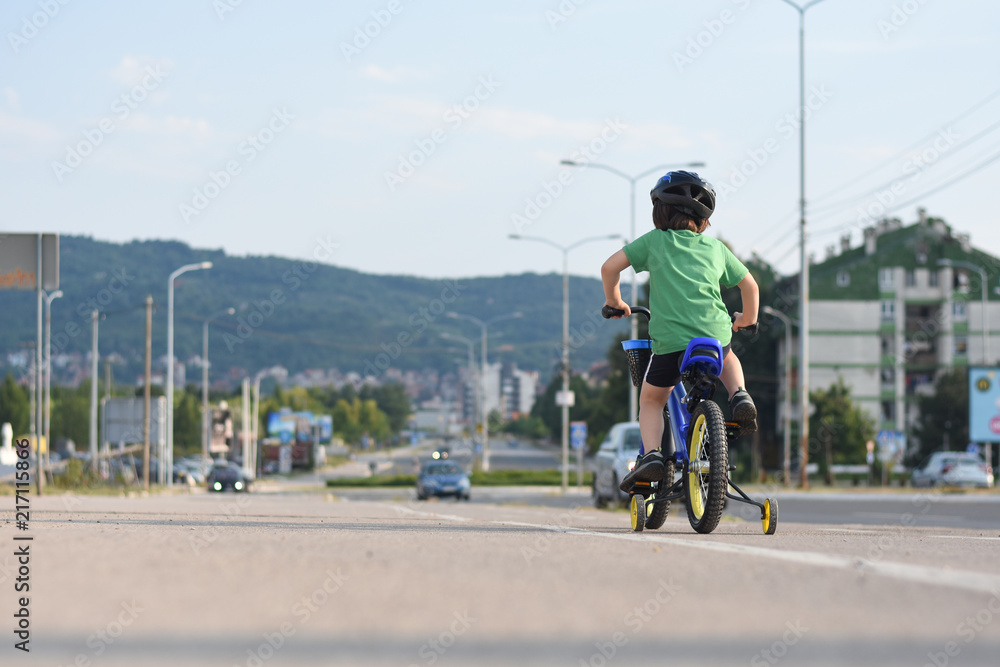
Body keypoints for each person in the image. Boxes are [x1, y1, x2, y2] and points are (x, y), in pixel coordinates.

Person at [600, 170, 759, 490]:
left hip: (670, 344)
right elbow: (750, 285)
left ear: (659, 212)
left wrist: (615, 301)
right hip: (714, 336)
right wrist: (747, 319)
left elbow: (609, 268)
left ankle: (652, 456)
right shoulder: (716, 248)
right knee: (728, 357)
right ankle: (739, 395)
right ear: (704, 219)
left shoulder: (654, 241)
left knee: (651, 400)